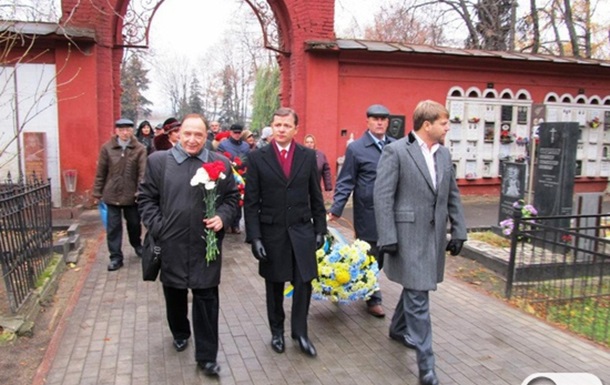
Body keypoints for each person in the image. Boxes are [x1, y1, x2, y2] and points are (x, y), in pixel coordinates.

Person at [137, 113, 239, 376]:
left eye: (199, 135)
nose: (192, 140)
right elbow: (146, 199)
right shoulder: (159, 162)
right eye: (188, 134)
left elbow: (231, 200)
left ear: (207, 137)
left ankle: (207, 358)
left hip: (206, 245)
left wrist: (223, 217)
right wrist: (160, 227)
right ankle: (180, 331)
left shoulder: (221, 163)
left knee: (206, 298)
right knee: (175, 292)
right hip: (172, 244)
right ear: (178, 134)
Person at [374, 100, 467, 385]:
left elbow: (452, 195)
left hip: (434, 237)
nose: (447, 127)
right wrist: (387, 236)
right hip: (406, 238)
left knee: (417, 287)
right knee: (418, 295)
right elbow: (383, 196)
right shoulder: (396, 151)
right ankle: (427, 367)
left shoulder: (443, 154)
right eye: (443, 123)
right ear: (427, 125)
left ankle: (397, 328)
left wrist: (459, 230)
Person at [244, 107, 327, 358]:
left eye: (286, 126)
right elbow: (251, 202)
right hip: (272, 233)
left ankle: (300, 332)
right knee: (275, 285)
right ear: (272, 126)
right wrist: (255, 237)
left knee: (304, 283)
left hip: (302, 231)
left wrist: (320, 229)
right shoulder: (258, 157)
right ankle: (277, 331)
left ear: (295, 129)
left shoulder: (307, 156)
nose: (281, 129)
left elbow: (316, 195)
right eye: (277, 125)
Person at [328, 104, 395, 317]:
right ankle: (373, 297)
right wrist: (336, 209)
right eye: (375, 119)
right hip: (368, 214)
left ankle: (353, 281)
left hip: (392, 213)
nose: (379, 122)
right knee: (370, 255)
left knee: (384, 254)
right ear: (367, 121)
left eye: (383, 119)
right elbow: (346, 181)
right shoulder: (356, 148)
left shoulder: (395, 146)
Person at [93, 118, 147, 271]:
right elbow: (101, 172)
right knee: (113, 228)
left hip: (132, 196)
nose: (125, 133)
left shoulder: (139, 149)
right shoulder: (107, 148)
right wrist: (97, 192)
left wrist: (140, 192)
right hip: (112, 195)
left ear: (132, 131)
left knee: (134, 224)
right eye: (122, 130)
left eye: (128, 130)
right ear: (116, 131)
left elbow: (142, 173)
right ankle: (116, 257)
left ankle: (137, 245)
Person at [217, 123, 251, 234]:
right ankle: (227, 222)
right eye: (235, 132)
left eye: (239, 133)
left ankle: (236, 224)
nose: (237, 135)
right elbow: (219, 159)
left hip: (242, 175)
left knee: (240, 200)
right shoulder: (223, 145)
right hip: (228, 174)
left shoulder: (246, 146)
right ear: (230, 132)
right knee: (228, 198)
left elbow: (248, 159)